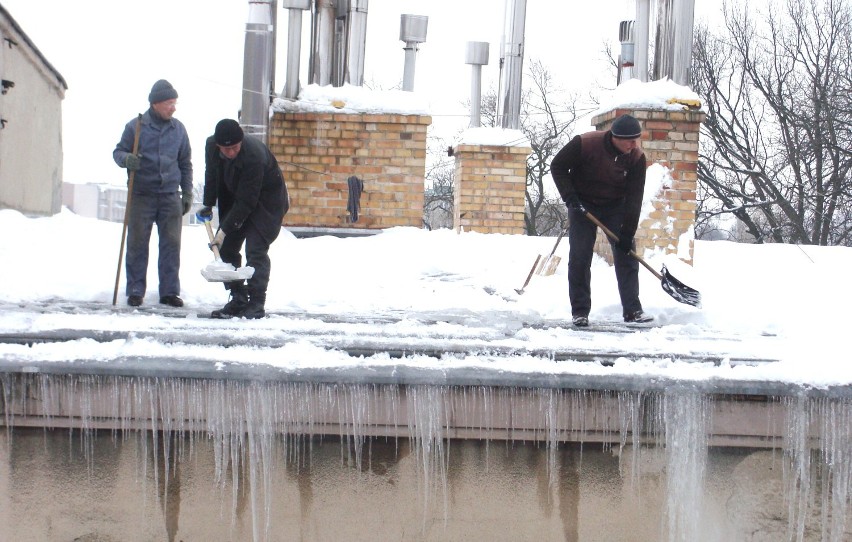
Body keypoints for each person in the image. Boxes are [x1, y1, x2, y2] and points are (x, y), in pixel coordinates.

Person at [551, 113, 653, 327]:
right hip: (583, 205)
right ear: (615, 137)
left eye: (637, 139)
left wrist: (627, 233)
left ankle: (633, 310)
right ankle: (580, 312)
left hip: (615, 207)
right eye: (630, 140)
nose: (634, 144)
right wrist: (570, 198)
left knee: (627, 255)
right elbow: (558, 166)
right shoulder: (586, 143)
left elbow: (635, 197)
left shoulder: (636, 157)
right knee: (580, 256)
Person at [196, 119, 289, 319]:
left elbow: (248, 201)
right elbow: (212, 174)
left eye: (235, 148)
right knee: (227, 247)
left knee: (255, 250)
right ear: (218, 145)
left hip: (267, 202)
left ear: (241, 142)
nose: (230, 153)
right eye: (226, 149)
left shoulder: (254, 155)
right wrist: (208, 203)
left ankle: (256, 303)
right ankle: (238, 298)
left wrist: (222, 230)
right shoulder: (211, 146)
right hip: (236, 196)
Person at [113, 79, 193, 308]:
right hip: (141, 195)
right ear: (156, 103)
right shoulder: (136, 127)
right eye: (169, 103)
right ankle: (135, 290)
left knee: (171, 245)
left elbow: (185, 162)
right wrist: (126, 159)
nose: (173, 107)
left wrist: (186, 193)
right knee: (137, 243)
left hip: (169, 196)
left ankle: (169, 292)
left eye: (174, 103)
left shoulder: (179, 129)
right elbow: (118, 151)